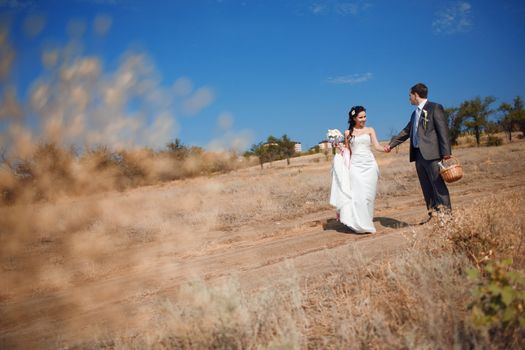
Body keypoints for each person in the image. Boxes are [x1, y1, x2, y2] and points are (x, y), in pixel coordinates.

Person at [385, 83, 452, 222]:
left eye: (410, 95)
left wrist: (446, 152)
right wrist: (391, 145)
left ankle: (446, 215)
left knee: (437, 185)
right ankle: (433, 214)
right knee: (426, 187)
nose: (409, 98)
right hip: (418, 155)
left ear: (416, 95)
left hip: (433, 154)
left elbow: (443, 130)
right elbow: (406, 131)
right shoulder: (414, 113)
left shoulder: (434, 108)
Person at [329, 106, 388, 233]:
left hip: (370, 165)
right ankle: (360, 225)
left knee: (369, 197)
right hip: (356, 167)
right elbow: (348, 150)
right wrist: (338, 147)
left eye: (365, 116)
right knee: (359, 196)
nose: (363, 119)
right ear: (354, 118)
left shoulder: (370, 130)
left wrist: (385, 149)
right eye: (360, 117)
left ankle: (367, 221)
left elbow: (376, 146)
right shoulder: (347, 133)